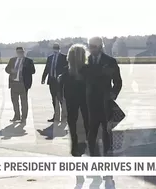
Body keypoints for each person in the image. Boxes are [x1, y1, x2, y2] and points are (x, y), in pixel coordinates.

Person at [80, 37, 122, 188]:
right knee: (91, 136)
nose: (92, 49)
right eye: (90, 46)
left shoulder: (110, 61)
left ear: (101, 46)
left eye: (94, 46)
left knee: (106, 136)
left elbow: (118, 81)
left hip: (105, 105)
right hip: (89, 104)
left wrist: (112, 94)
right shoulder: (85, 62)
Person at [58, 44, 89, 187]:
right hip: (88, 111)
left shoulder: (64, 76)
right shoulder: (90, 73)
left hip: (73, 113)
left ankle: (79, 171)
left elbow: (61, 96)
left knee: (76, 140)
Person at [5, 47, 35, 123]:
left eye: (21, 52)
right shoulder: (12, 60)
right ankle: (17, 116)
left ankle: (24, 118)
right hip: (14, 83)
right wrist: (11, 70)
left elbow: (33, 71)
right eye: (18, 52)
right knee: (14, 101)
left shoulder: (28, 61)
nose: (19, 53)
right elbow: (7, 69)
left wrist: (24, 69)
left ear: (23, 52)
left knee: (24, 102)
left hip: (23, 84)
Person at [41, 43, 68, 122]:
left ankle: (64, 116)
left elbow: (66, 69)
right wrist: (43, 78)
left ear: (59, 49)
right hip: (52, 80)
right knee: (54, 99)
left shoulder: (64, 57)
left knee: (61, 99)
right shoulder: (50, 57)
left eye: (56, 48)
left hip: (60, 81)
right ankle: (56, 115)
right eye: (54, 48)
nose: (55, 50)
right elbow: (47, 68)